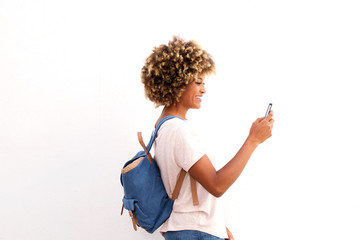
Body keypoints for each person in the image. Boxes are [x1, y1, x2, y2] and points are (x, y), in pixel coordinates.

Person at [141, 36, 274, 240]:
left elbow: (188, 189)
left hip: (190, 229)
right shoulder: (177, 129)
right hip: (194, 231)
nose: (203, 89)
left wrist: (218, 227)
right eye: (198, 82)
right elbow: (217, 185)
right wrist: (253, 140)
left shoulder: (162, 127)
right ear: (178, 82)